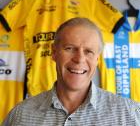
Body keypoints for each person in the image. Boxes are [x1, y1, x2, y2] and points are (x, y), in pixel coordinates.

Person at [2, 17, 140, 126]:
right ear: (54, 53)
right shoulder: (20, 115)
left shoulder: (131, 114)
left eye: (88, 51)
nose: (79, 59)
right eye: (69, 48)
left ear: (97, 59)